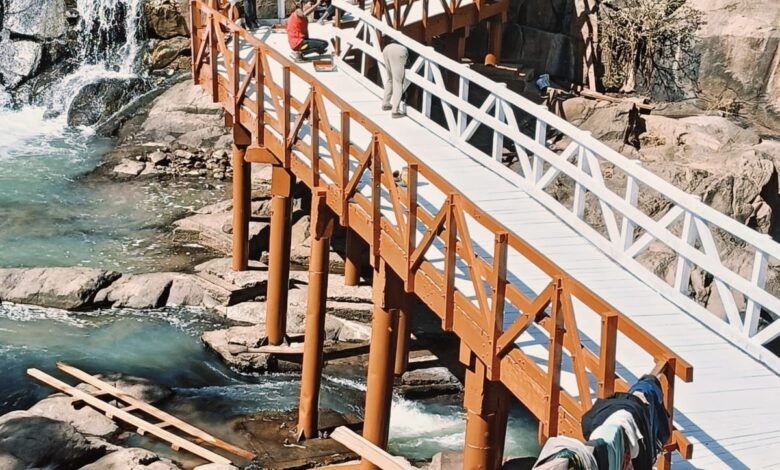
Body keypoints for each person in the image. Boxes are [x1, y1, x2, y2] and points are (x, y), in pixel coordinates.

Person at [381, 41, 408, 118]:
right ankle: (395, 111)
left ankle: (385, 103)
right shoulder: (403, 49)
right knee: (398, 81)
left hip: (387, 48)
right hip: (399, 50)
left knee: (390, 78)